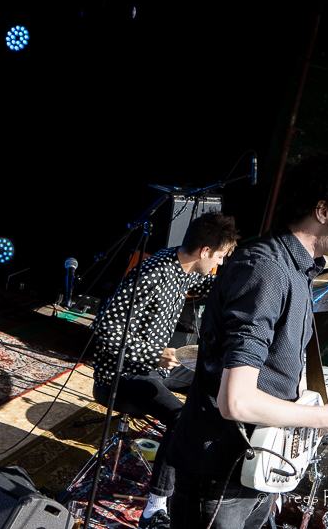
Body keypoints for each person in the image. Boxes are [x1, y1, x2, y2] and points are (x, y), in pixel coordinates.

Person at [166, 152, 328, 529]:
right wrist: (321, 418)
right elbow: (236, 400)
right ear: (323, 211)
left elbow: (277, 371)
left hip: (254, 468)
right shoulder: (266, 270)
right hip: (220, 475)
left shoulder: (297, 270)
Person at [90, 212, 240, 529]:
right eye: (220, 257)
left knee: (218, 382)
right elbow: (103, 329)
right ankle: (154, 509)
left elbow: (208, 281)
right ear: (205, 251)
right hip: (123, 371)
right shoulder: (153, 274)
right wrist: (153, 353)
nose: (220, 263)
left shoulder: (182, 265)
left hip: (156, 367)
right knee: (181, 418)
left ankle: (199, 472)